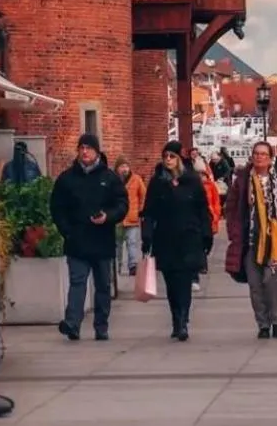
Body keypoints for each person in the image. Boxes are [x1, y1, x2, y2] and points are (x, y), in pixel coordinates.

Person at [49, 132, 129, 342]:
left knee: (103, 285)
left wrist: (108, 216)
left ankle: (101, 326)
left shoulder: (109, 178)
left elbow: (122, 204)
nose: (84, 152)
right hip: (77, 240)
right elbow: (57, 207)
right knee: (78, 282)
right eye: (82, 148)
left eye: (89, 148)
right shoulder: (67, 179)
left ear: (97, 152)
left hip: (102, 240)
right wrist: (67, 231)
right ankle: (72, 323)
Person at [225, 140, 277, 338]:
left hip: (274, 243)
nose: (259, 157)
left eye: (263, 154)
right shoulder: (243, 180)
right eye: (256, 153)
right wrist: (234, 231)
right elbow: (231, 208)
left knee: (272, 282)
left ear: (270, 158)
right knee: (255, 285)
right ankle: (263, 324)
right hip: (250, 241)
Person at [142, 141, 213, 341]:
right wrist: (147, 236)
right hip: (165, 239)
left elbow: (202, 209)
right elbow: (149, 212)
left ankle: (183, 320)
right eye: (165, 156)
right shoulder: (158, 182)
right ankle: (176, 318)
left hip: (188, 238)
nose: (168, 160)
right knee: (171, 283)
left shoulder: (192, 181)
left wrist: (206, 234)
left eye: (172, 156)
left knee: (184, 282)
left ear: (179, 159)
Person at [190, 152, 222, 293]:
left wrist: (216, 215)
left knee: (207, 242)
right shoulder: (192, 186)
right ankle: (201, 266)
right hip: (197, 220)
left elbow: (216, 202)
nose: (200, 177)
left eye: (202, 174)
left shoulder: (210, 186)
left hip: (209, 217)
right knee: (199, 243)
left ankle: (202, 262)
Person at [113, 156, 146, 276]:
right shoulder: (113, 180)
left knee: (132, 242)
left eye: (126, 166)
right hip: (117, 218)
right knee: (117, 244)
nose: (125, 169)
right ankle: (116, 266)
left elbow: (143, 195)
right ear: (117, 168)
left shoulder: (136, 179)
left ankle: (132, 265)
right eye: (122, 166)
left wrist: (140, 210)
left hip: (132, 217)